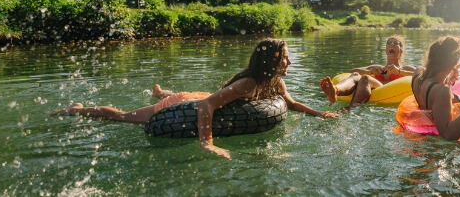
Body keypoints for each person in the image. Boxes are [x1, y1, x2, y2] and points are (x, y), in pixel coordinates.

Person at [54, 38, 339, 158]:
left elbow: (291, 105)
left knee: (183, 95)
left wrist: (320, 113)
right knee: (123, 117)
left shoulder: (274, 82)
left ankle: (163, 92)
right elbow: (206, 105)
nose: (289, 63)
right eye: (286, 59)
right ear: (272, 62)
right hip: (185, 107)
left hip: (201, 98)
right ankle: (77, 109)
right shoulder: (249, 82)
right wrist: (208, 143)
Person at [319, 35, 417, 108]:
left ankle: (349, 109)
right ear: (386, 50)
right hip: (373, 91)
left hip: (386, 93)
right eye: (389, 43)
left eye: (395, 43)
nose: (391, 44)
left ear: (401, 51)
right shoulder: (378, 67)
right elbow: (352, 71)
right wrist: (369, 71)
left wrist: (399, 72)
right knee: (357, 75)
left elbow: (424, 75)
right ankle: (335, 90)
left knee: (365, 78)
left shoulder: (406, 68)